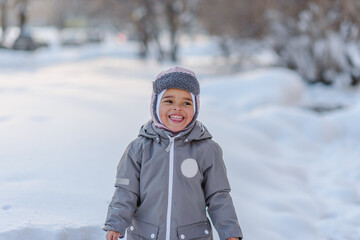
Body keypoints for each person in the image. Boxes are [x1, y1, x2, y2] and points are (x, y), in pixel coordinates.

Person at [104, 66, 243, 240]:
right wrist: (115, 224)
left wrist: (230, 233)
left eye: (186, 103)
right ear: (155, 105)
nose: (177, 108)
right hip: (147, 235)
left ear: (196, 108)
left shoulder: (207, 150)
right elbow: (125, 192)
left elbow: (219, 196)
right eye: (169, 101)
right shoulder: (138, 149)